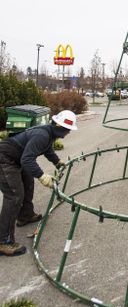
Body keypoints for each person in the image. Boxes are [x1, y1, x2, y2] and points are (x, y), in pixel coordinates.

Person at [0, 110, 78, 257]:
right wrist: (43, 176)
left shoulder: (49, 134)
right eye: (67, 130)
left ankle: (25, 215)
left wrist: (57, 161)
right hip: (5, 159)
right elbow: (27, 160)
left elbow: (46, 149)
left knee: (28, 184)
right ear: (58, 126)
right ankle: (4, 241)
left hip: (16, 159)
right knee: (14, 196)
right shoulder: (42, 135)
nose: (68, 133)